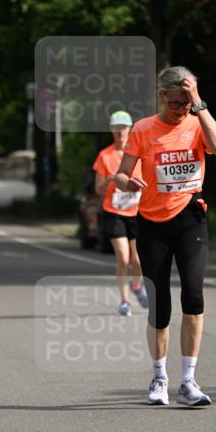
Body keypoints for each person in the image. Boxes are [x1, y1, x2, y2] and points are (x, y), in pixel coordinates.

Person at [114, 66, 216, 406]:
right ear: (162, 97)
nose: (181, 110)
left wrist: (199, 104)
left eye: (186, 103)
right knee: (159, 302)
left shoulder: (197, 121)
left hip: (191, 218)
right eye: (176, 103)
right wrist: (128, 182)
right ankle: (159, 377)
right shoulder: (144, 129)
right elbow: (120, 175)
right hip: (152, 223)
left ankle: (188, 381)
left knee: (193, 295)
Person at [93, 111, 148, 316]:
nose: (119, 131)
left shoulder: (138, 153)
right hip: (114, 212)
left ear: (130, 129)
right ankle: (125, 301)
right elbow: (98, 189)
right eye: (115, 127)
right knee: (124, 258)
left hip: (137, 211)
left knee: (138, 260)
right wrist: (112, 179)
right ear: (111, 130)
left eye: (123, 127)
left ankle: (136, 286)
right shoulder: (104, 156)